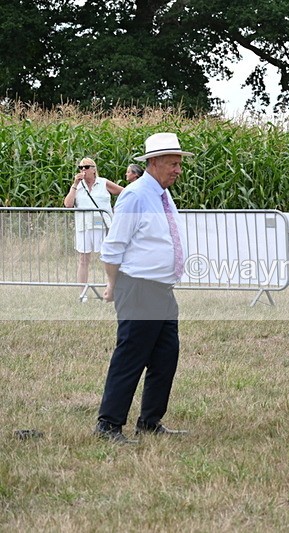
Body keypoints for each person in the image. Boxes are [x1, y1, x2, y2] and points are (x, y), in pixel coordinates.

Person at [95, 132, 193, 443]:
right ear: (153, 163)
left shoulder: (162, 194)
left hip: (162, 291)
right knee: (131, 358)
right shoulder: (136, 195)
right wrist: (113, 285)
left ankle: (150, 421)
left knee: (166, 357)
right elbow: (113, 247)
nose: (178, 169)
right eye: (172, 164)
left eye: (179, 164)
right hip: (138, 288)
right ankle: (108, 425)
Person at [63, 157, 124, 300]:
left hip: (102, 224)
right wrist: (74, 184)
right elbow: (68, 204)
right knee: (83, 259)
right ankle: (82, 293)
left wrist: (118, 209)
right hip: (84, 225)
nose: (83, 170)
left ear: (94, 169)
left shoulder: (103, 183)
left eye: (86, 167)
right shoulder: (77, 186)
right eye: (81, 167)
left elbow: (124, 192)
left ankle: (111, 290)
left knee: (107, 257)